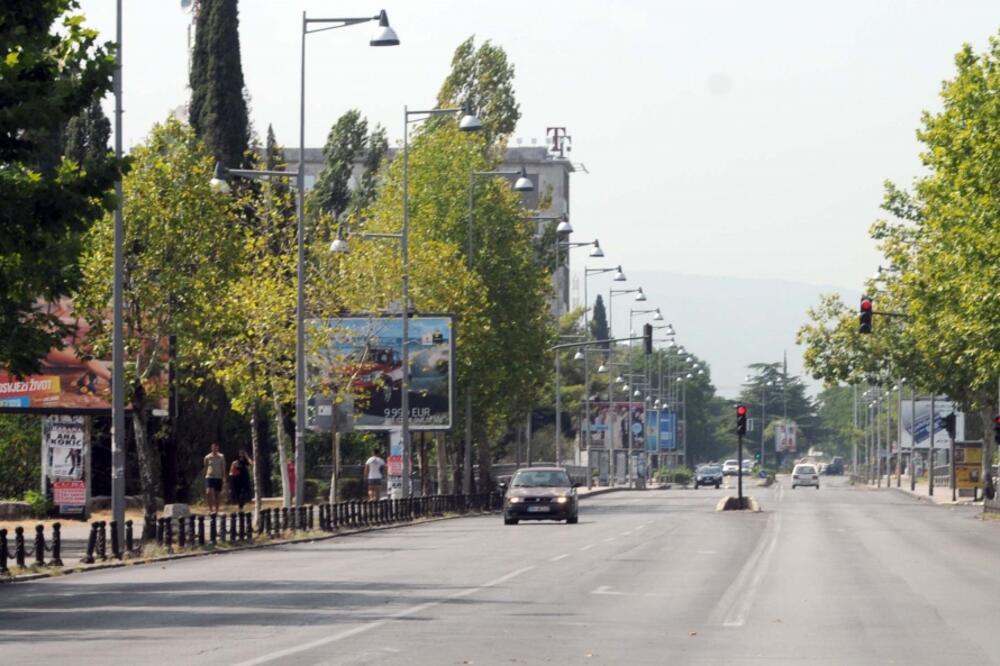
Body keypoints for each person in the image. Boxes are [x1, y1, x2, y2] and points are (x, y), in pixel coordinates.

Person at [203, 442, 225, 513]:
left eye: (216, 447)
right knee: (208, 492)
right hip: (209, 476)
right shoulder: (207, 457)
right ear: (211, 448)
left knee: (217, 494)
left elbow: (223, 467)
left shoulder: (221, 457)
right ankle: (210, 509)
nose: (215, 449)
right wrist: (205, 476)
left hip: (218, 477)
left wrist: (224, 477)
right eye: (214, 447)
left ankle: (216, 510)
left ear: (218, 448)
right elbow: (205, 467)